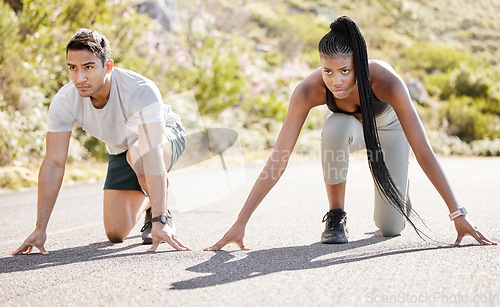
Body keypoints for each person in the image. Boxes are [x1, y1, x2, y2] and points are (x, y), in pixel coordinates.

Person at [205, 16, 496, 250]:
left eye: (344, 70)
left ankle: (399, 186)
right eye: (327, 71)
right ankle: (336, 217)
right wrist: (241, 221)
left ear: (357, 63)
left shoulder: (385, 80)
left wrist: (457, 213)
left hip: (390, 131)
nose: (336, 80)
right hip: (353, 130)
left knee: (390, 228)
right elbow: (279, 158)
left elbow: (423, 150)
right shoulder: (308, 91)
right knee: (335, 125)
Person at [12, 29, 190, 254]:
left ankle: (159, 209)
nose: (80, 78)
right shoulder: (64, 101)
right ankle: (151, 198)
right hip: (121, 149)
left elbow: (152, 150)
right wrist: (40, 228)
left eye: (88, 67)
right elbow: (54, 162)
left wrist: (160, 219)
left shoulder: (140, 90)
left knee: (139, 154)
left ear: (108, 66)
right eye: (72, 68)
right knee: (116, 232)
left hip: (163, 138)